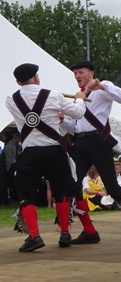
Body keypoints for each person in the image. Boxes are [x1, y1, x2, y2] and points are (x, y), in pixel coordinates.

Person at [5, 63, 86, 251]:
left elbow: (29, 117)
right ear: (37, 77)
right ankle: (65, 232)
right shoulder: (54, 95)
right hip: (54, 151)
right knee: (62, 191)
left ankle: (34, 236)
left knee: (26, 193)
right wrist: (80, 99)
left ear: (18, 82)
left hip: (31, 152)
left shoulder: (11, 100)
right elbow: (79, 113)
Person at [59, 60, 121, 243]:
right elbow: (76, 128)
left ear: (91, 74)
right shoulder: (78, 96)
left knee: (112, 187)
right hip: (81, 142)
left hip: (99, 141)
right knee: (72, 186)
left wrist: (101, 86)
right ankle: (90, 231)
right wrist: (62, 120)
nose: (77, 76)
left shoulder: (104, 87)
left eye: (81, 72)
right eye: (75, 73)